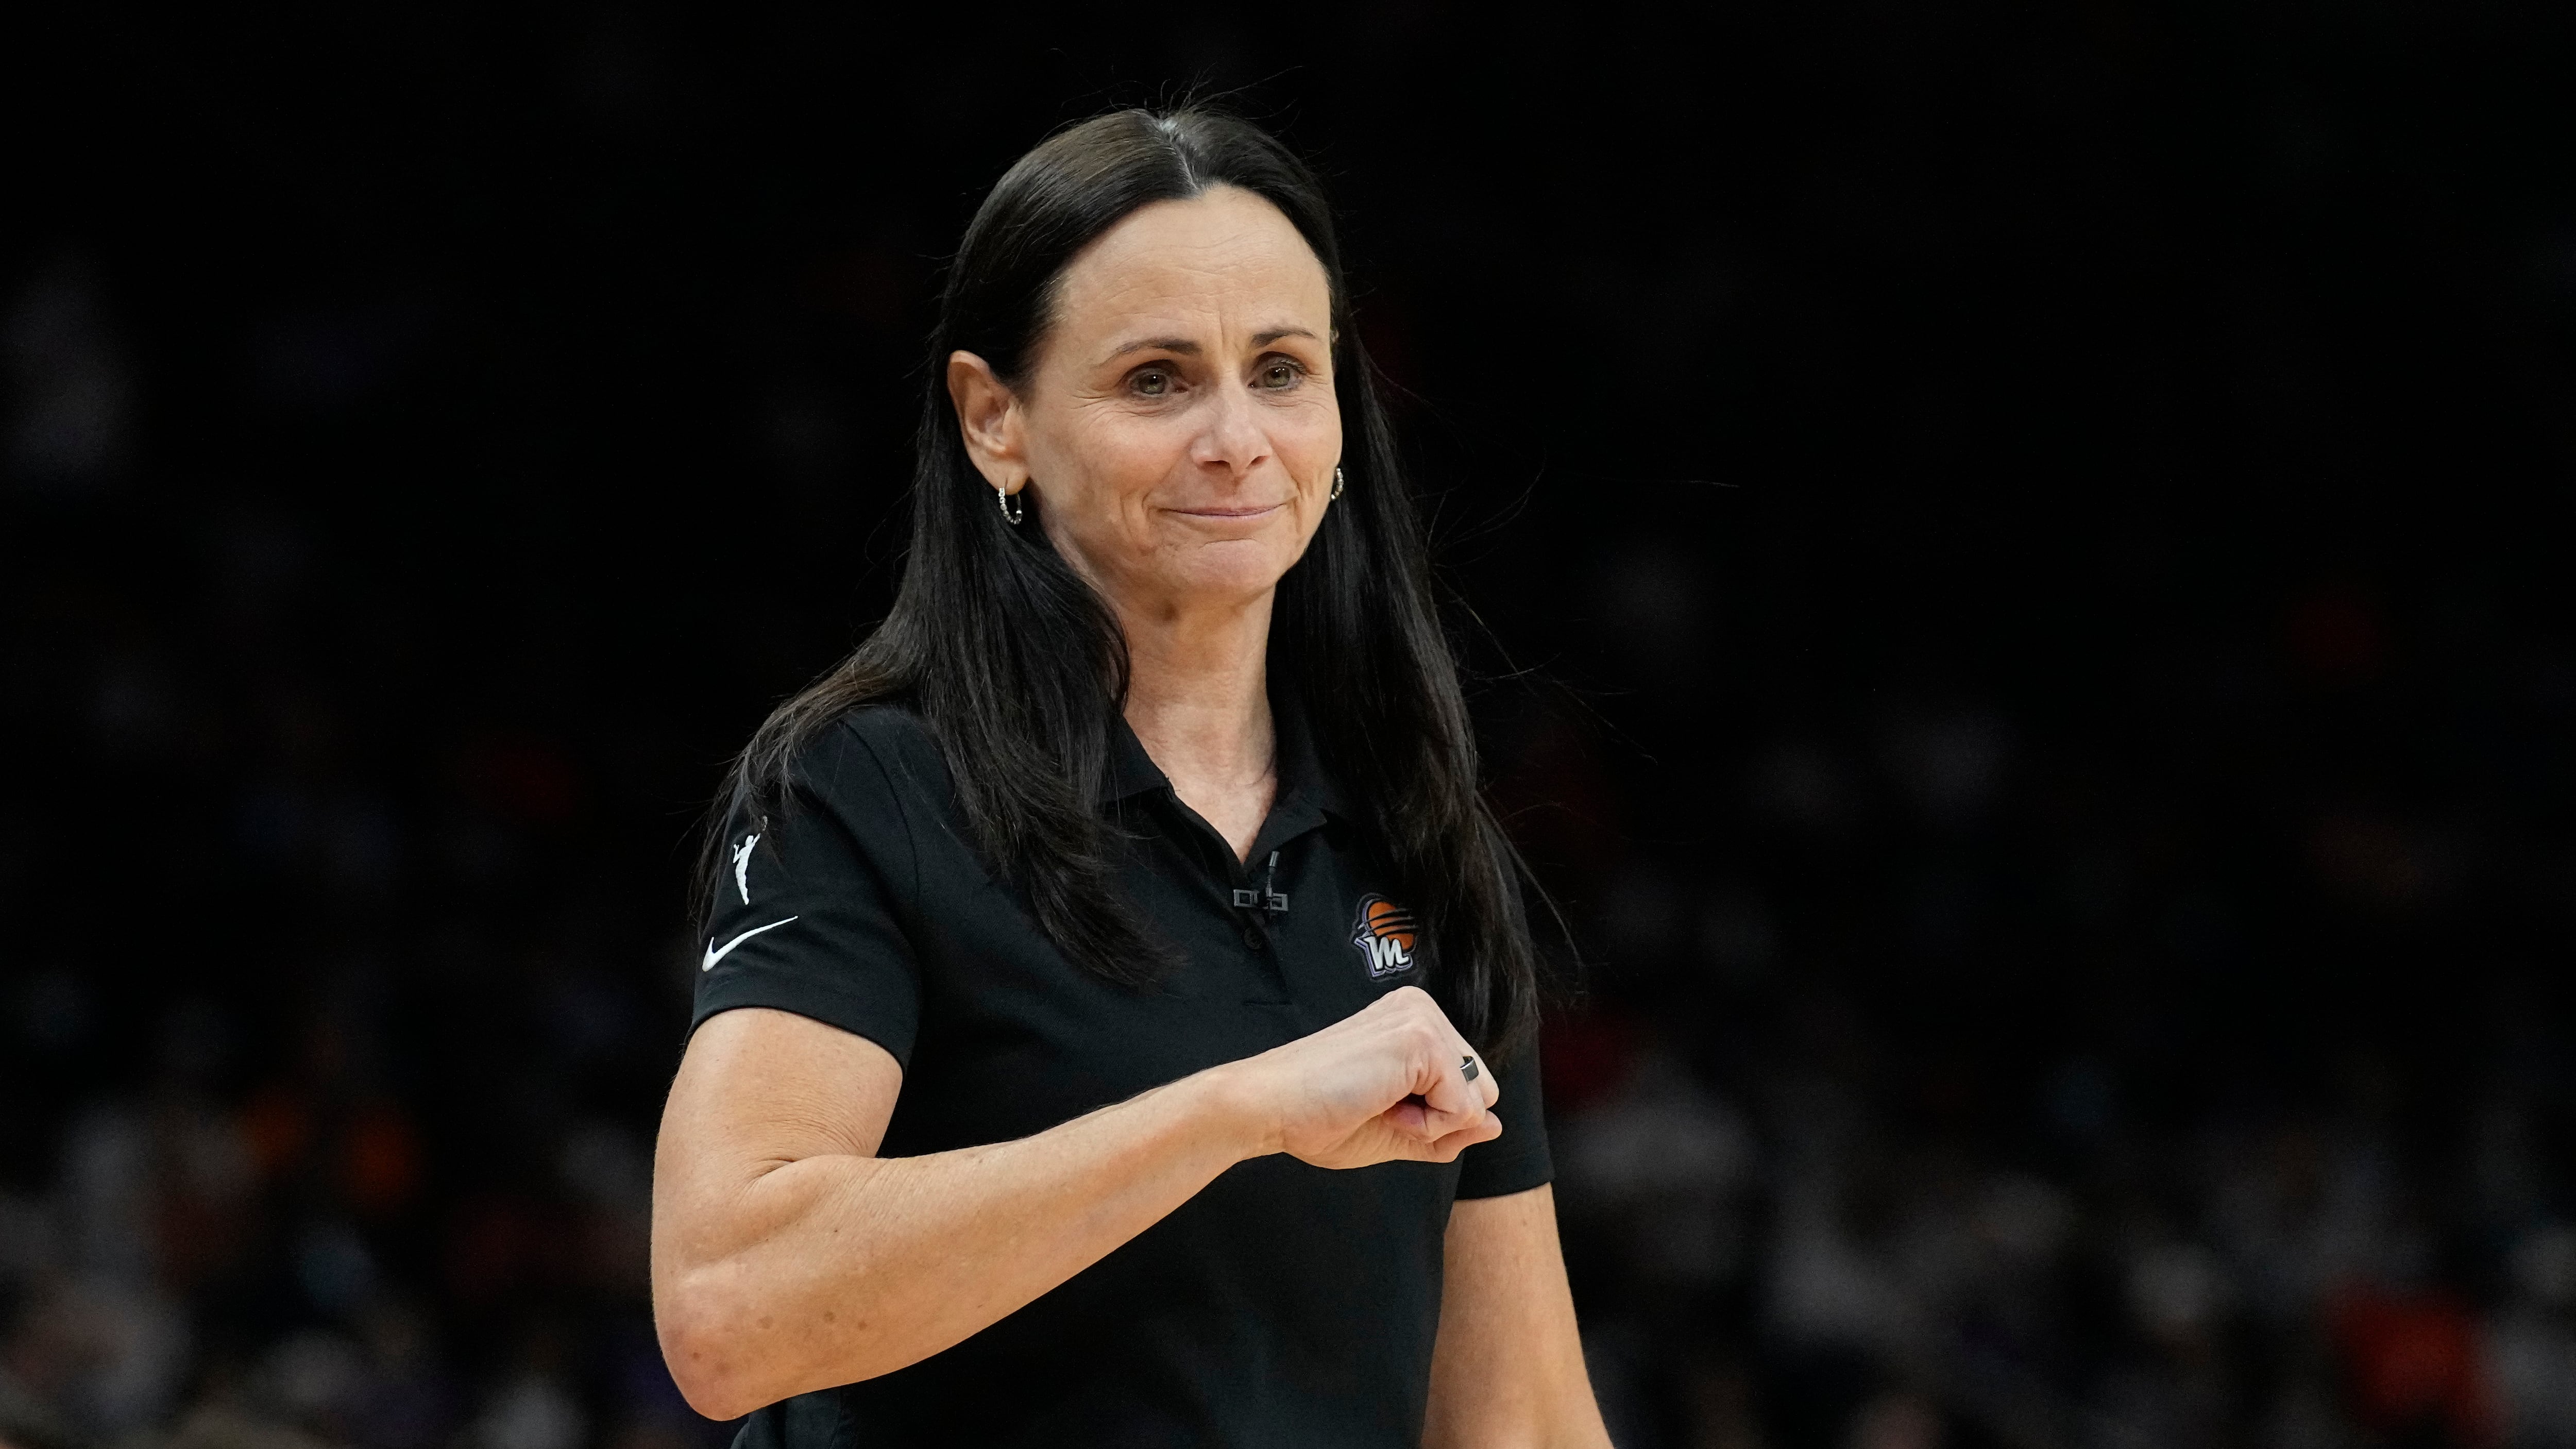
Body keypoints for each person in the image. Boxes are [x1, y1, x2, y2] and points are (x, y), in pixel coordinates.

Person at [651, 106, 1612, 1449]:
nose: (1237, 437)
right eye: (1157, 379)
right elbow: (727, 1306)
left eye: (1281, 368)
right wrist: (1234, 1110)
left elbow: (1518, 1416)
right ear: (996, 419)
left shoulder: (1412, 834)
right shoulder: (865, 792)